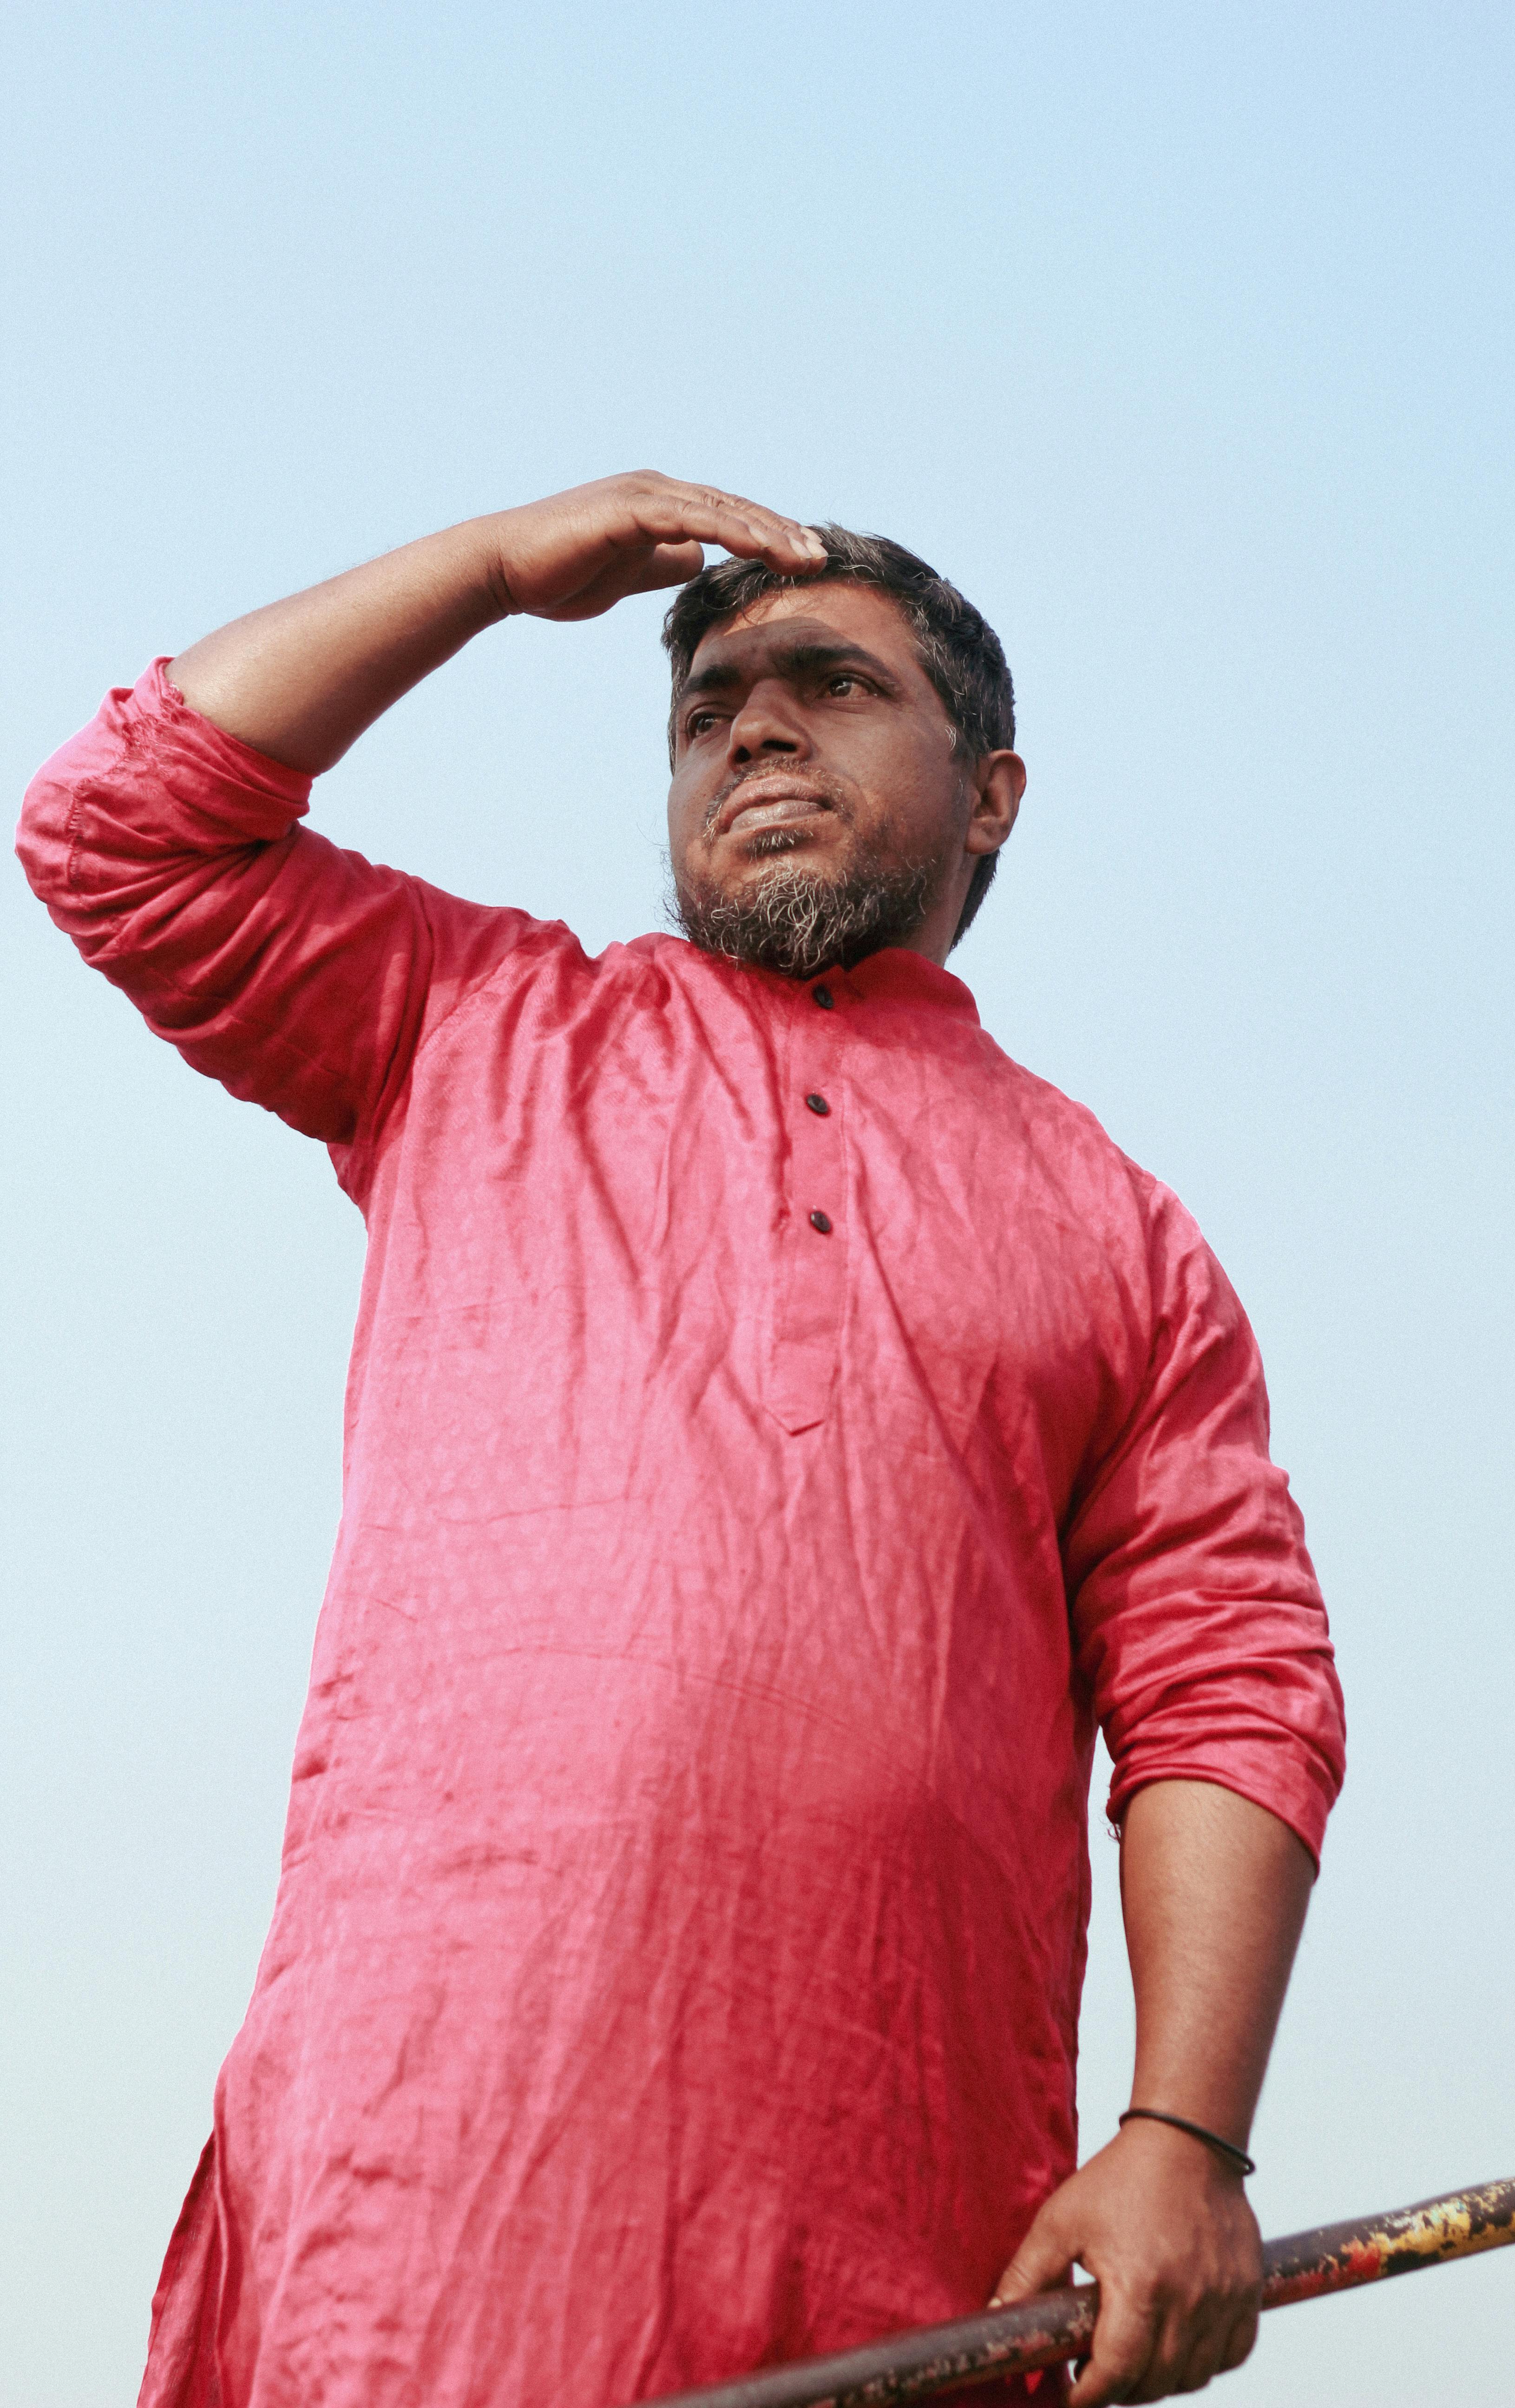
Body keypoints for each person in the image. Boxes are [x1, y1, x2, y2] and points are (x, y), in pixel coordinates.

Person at [18, 473, 1344, 2408]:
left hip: (907, 2250)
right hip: (418, 2208)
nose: (755, 733)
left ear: (992, 795)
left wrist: (1186, 2138)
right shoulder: (477, 1026)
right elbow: (116, 828)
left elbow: (1228, 1687)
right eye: (708, 711)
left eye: (833, 687)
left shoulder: (1121, 1235)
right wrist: (489, 570)